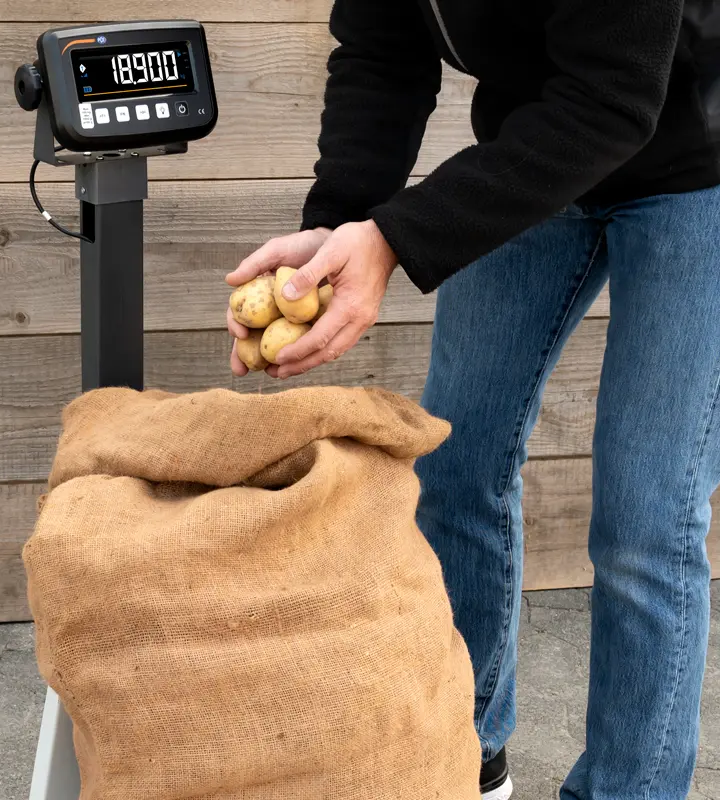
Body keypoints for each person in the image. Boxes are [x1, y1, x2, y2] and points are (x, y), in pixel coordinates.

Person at [225, 1, 720, 797]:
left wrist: (392, 240)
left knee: (647, 520)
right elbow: (382, 52)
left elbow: (614, 99)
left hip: (698, 162)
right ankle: (462, 750)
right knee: (455, 466)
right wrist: (338, 224)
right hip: (537, 150)